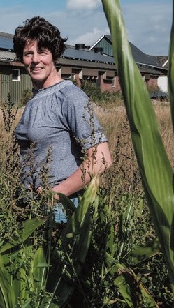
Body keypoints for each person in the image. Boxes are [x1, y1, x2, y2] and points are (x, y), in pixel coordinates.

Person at [12, 16, 112, 222]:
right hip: (33, 204)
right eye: (28, 53)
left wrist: (57, 194)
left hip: (59, 209)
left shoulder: (69, 96)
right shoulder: (36, 98)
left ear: (54, 55)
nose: (35, 59)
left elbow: (101, 159)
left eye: (42, 52)